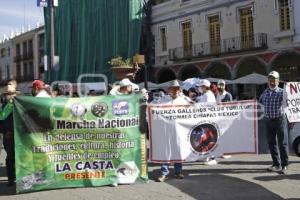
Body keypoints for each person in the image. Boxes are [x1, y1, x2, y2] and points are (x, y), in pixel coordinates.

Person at [156, 80, 192, 182]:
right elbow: (153, 110)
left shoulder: (184, 100)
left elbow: (193, 111)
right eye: (173, 88)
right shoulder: (162, 100)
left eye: (177, 88)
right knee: (166, 151)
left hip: (180, 131)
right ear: (169, 90)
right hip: (166, 131)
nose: (176, 90)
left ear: (180, 90)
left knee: (178, 151)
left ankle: (178, 171)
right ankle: (164, 173)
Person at [259, 71, 288, 174]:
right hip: (268, 121)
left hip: (279, 120)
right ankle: (276, 164)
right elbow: (260, 102)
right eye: (270, 79)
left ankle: (284, 165)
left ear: (278, 81)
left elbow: (289, 103)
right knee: (271, 143)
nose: (272, 81)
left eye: (274, 79)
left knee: (282, 143)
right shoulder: (264, 92)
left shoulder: (282, 92)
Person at [0, 80, 19, 186]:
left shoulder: (20, 104)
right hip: (8, 136)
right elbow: (1, 121)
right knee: (10, 158)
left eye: (11, 94)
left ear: (15, 94)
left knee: (21, 157)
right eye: (8, 94)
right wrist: (6, 131)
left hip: (20, 135)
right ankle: (11, 179)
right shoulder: (3, 107)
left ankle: (19, 176)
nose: (9, 96)